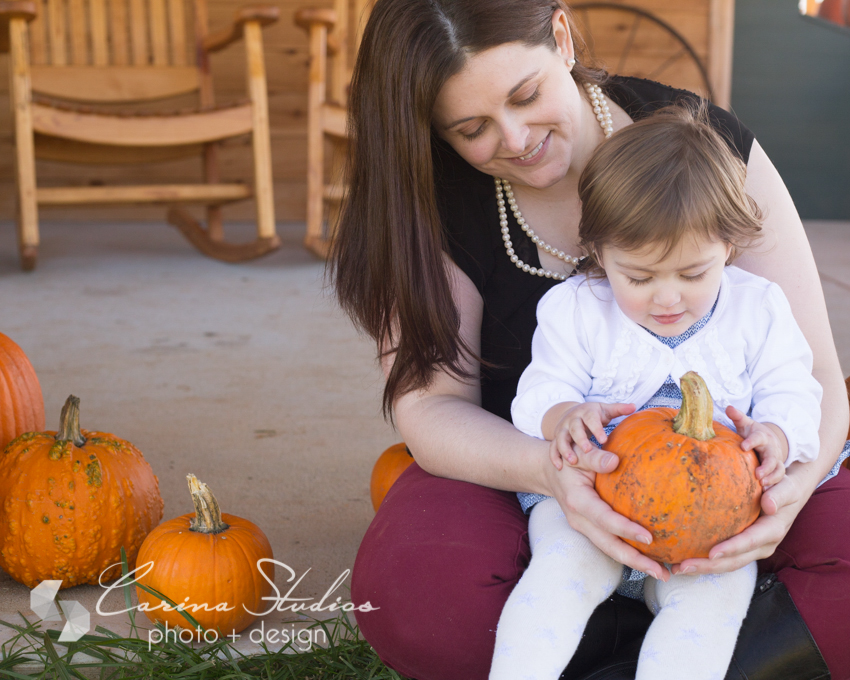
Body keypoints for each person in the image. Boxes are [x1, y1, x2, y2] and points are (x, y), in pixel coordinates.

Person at [330, 0, 850, 677]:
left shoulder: (704, 152)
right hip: (531, 477)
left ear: (561, 35)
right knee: (418, 595)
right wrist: (548, 469)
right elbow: (429, 406)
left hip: (730, 492)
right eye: (472, 128)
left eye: (526, 94)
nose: (515, 138)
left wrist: (782, 501)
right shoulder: (430, 194)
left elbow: (814, 384)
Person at [491, 105, 823, 680]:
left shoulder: (758, 310)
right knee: (559, 578)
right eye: (639, 277)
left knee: (712, 607)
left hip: (710, 525)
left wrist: (779, 432)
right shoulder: (577, 310)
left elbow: (795, 389)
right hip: (589, 508)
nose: (667, 299)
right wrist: (565, 414)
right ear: (599, 253)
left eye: (693, 274)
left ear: (729, 245)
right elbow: (537, 390)